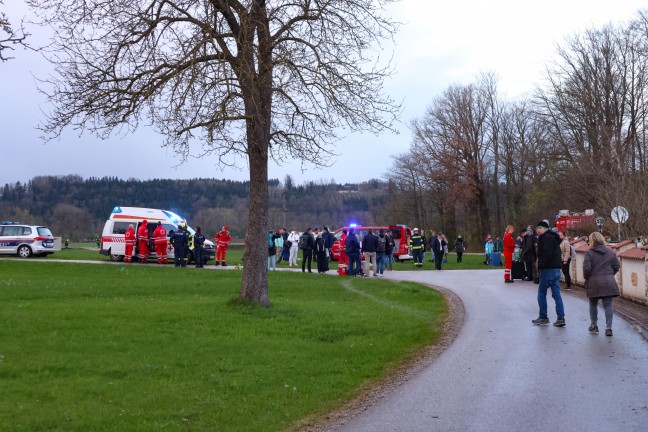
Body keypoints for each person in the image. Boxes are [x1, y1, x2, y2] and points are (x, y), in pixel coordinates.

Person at [584, 232, 620, 336]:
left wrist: (587, 279)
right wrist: (609, 274)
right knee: (608, 305)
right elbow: (616, 266)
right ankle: (608, 328)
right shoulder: (611, 252)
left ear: (591, 240)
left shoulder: (589, 253)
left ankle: (594, 326)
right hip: (608, 282)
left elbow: (587, 269)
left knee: (593, 304)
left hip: (593, 282)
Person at [532, 220, 566, 327]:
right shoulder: (553, 237)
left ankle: (543, 317)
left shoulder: (546, 238)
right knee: (556, 294)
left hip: (548, 270)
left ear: (542, 228)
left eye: (538, 229)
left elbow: (547, 254)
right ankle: (561, 318)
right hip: (556, 269)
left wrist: (541, 266)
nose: (537, 231)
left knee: (541, 294)